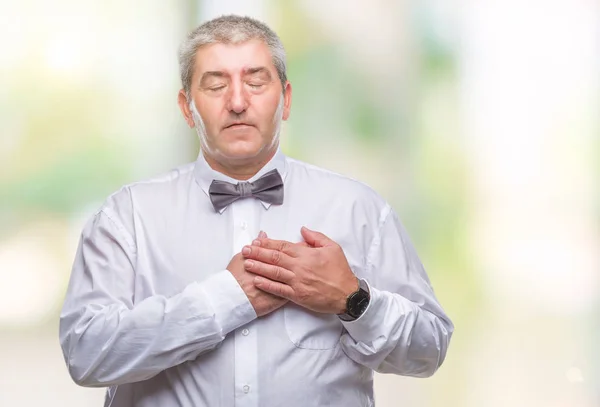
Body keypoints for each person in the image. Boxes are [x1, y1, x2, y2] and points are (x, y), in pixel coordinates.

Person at [59, 14, 453, 407]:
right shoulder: (126, 217)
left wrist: (353, 299)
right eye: (215, 84)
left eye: (255, 82)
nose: (236, 102)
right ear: (186, 106)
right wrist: (224, 299)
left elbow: (429, 350)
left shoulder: (359, 209)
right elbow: (85, 353)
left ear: (286, 99)